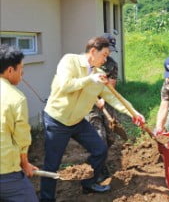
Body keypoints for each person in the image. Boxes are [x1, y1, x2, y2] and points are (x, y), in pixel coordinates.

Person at [40, 37, 145, 201]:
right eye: (104, 55)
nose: (106, 59)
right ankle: (47, 199)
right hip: (57, 120)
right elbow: (65, 85)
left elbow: (113, 97)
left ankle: (88, 183)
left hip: (77, 121)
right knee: (52, 163)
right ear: (93, 51)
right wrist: (89, 79)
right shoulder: (70, 61)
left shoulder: (99, 75)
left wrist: (134, 113)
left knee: (100, 150)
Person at [0, 45, 39, 202]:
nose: (23, 73)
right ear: (10, 70)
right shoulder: (16, 98)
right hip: (5, 171)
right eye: (21, 69)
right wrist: (25, 163)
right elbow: (22, 138)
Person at [87, 33, 119, 182]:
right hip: (91, 104)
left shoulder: (112, 64)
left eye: (110, 51)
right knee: (99, 137)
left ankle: (98, 156)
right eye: (106, 51)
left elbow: (111, 87)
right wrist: (95, 99)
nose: (108, 54)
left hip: (106, 101)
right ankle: (99, 170)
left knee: (110, 137)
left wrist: (104, 100)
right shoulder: (89, 64)